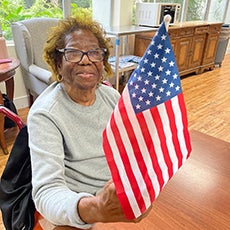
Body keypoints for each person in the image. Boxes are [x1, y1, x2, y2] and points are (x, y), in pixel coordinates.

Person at [27, 15, 150, 229]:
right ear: (58, 62)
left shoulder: (112, 97)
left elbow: (129, 149)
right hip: (77, 208)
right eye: (73, 53)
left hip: (117, 197)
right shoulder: (45, 114)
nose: (86, 60)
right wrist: (96, 208)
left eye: (94, 52)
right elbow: (46, 192)